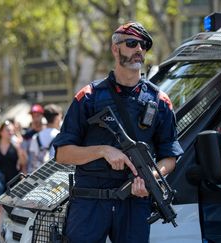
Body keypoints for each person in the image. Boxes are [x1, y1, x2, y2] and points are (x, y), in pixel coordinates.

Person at [53, 22, 184, 242]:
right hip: (90, 202)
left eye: (143, 45)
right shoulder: (88, 97)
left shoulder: (159, 101)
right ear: (115, 49)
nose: (139, 50)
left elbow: (170, 157)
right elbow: (62, 154)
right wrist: (103, 151)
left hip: (134, 202)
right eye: (131, 44)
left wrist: (149, 178)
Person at [0, 120, 27, 238]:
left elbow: (23, 164)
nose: (10, 132)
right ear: (1, 132)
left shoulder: (16, 145)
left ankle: (10, 236)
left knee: (12, 210)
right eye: (7, 130)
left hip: (13, 181)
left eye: (11, 130)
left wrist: (20, 149)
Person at [28, 104, 63, 173]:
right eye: (60, 117)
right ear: (56, 118)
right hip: (56, 175)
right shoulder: (61, 137)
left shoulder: (35, 137)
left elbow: (32, 161)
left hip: (40, 177)